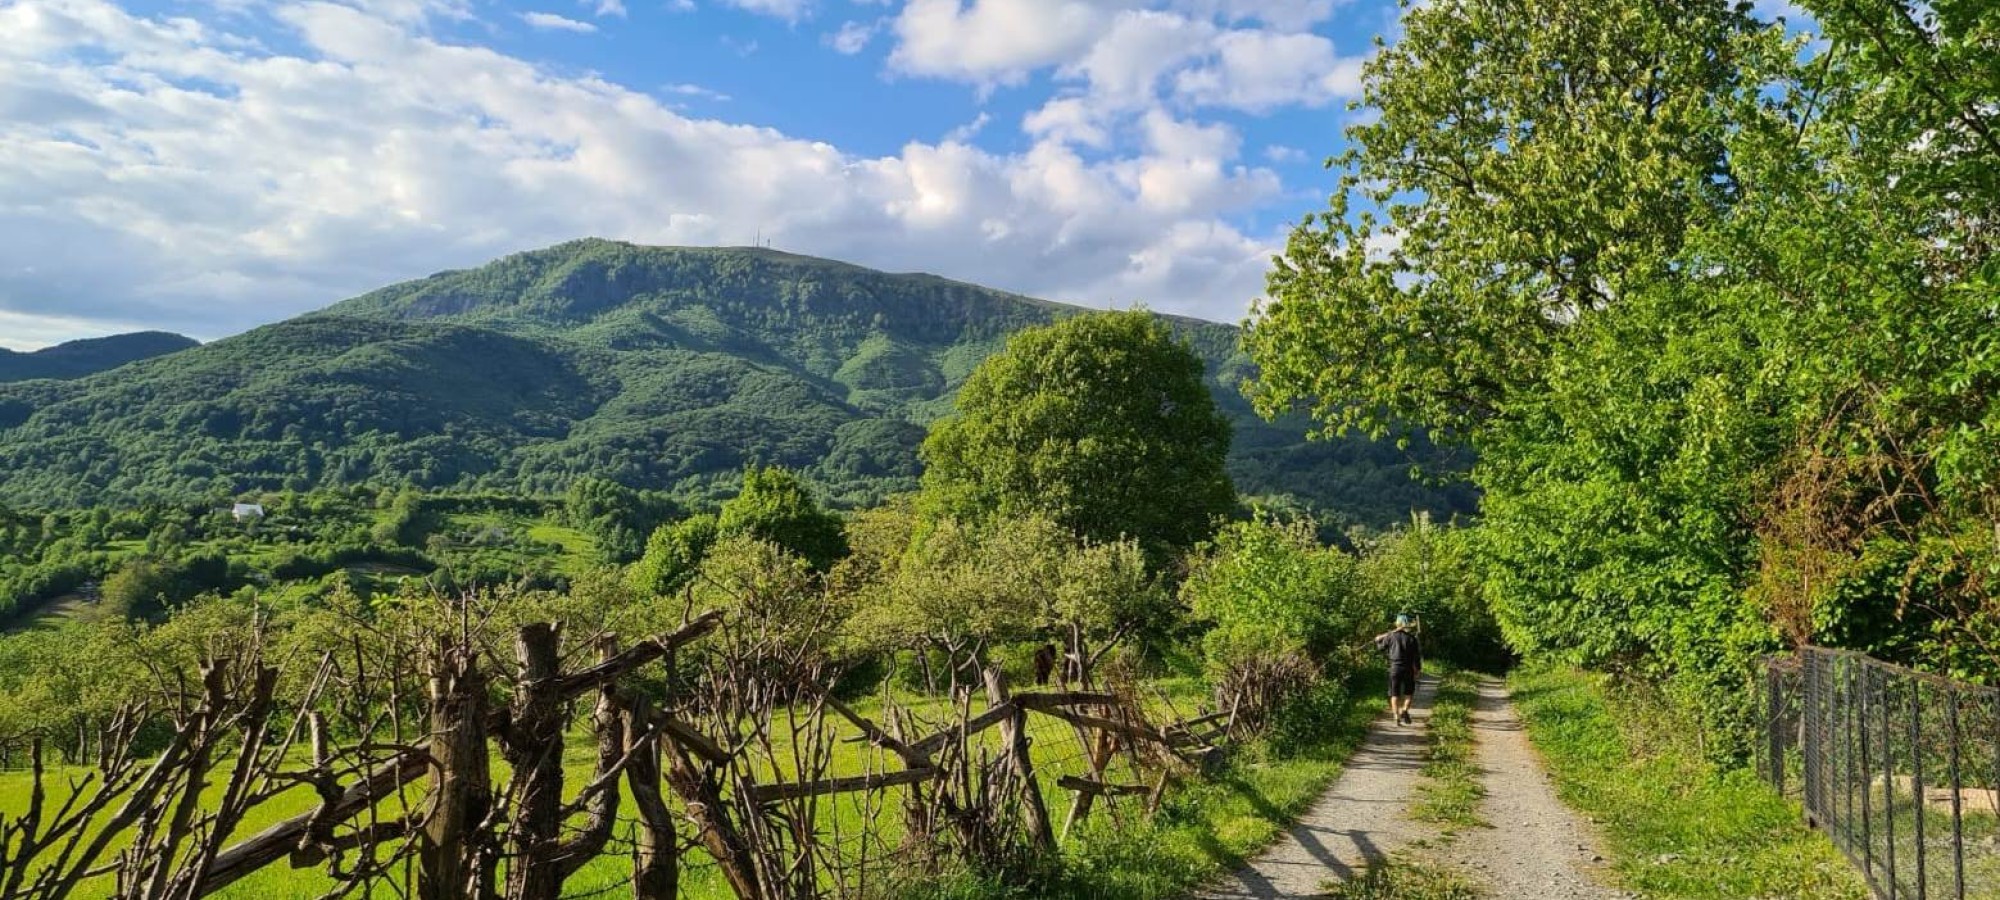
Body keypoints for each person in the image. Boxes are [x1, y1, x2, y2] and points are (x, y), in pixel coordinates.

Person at [1373, 614, 1423, 725]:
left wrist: (1377, 640)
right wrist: (1417, 669)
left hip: (1395, 668)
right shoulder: (1412, 638)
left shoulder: (1390, 636)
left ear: (1397, 623)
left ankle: (1396, 716)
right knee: (1409, 693)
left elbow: (1380, 648)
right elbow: (1416, 656)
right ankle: (1404, 710)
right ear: (1407, 624)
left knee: (1394, 694)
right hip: (1408, 668)